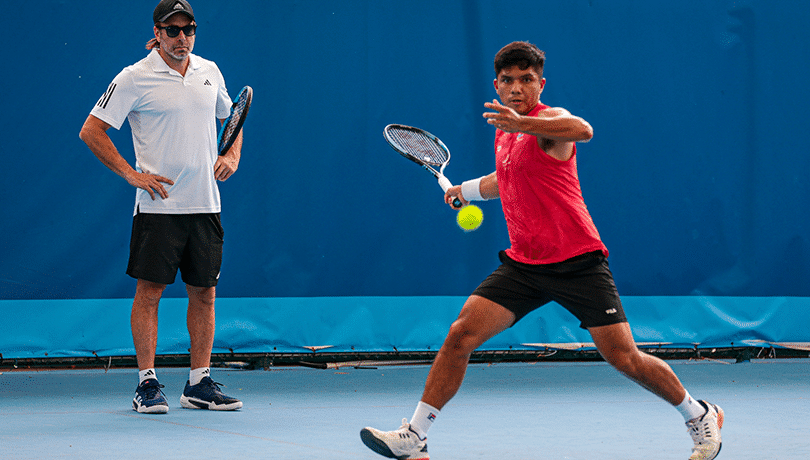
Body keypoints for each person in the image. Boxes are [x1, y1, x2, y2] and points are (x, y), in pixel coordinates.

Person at [360, 41, 723, 460]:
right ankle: (415, 435)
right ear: (496, 84)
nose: (517, 88)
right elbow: (508, 176)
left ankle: (699, 414)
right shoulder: (506, 128)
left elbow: (582, 130)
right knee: (461, 334)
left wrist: (524, 125)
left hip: (577, 261)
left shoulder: (547, 122)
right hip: (526, 263)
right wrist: (468, 191)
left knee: (625, 357)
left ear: (540, 83)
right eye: (509, 81)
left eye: (526, 80)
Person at [79, 0, 244, 414]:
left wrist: (232, 155)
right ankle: (146, 385)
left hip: (205, 206)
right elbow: (91, 130)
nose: (182, 38)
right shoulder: (134, 77)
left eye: (188, 29)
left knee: (204, 293)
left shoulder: (210, 71)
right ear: (158, 33)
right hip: (157, 210)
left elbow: (233, 118)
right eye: (173, 31)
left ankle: (199, 382)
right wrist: (133, 175)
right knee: (149, 293)